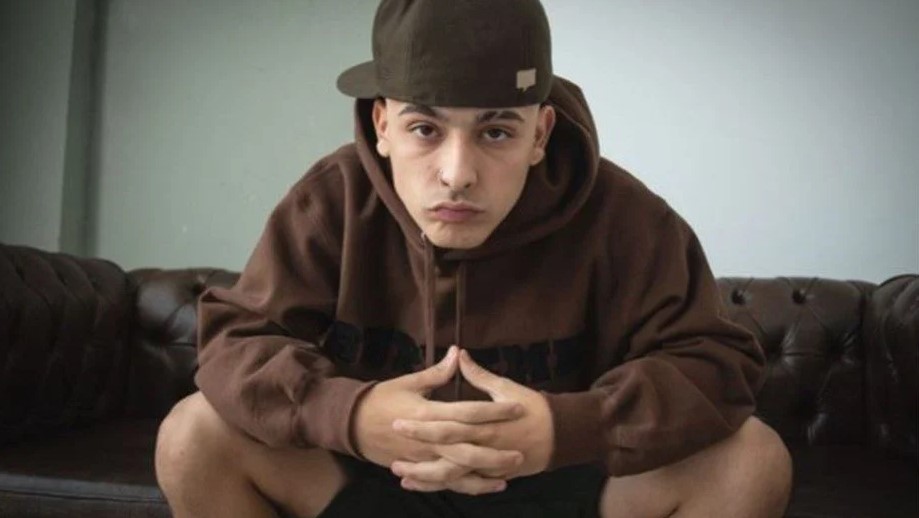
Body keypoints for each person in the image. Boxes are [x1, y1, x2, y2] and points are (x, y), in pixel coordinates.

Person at [155, 1, 792, 516]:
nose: (457, 173)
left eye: (495, 131)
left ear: (539, 134)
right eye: (425, 129)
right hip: (372, 485)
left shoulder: (625, 216)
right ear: (382, 125)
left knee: (752, 459)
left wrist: (568, 428)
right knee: (193, 435)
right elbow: (235, 342)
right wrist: (350, 415)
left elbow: (717, 362)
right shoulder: (331, 200)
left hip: (569, 486)